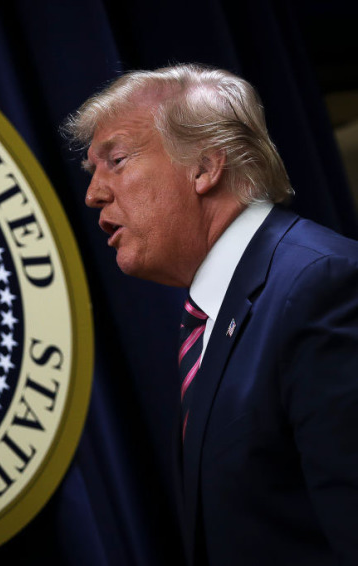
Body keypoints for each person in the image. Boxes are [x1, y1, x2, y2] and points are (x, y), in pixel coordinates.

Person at [63, 63, 358, 565]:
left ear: (204, 166)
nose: (93, 193)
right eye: (92, 171)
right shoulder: (208, 322)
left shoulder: (320, 285)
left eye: (115, 159)